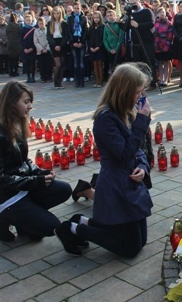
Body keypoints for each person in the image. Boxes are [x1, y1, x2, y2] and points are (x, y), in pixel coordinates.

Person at [56, 64, 153, 257]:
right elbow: (125, 154)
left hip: (130, 183)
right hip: (115, 185)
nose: (140, 99)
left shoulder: (127, 111)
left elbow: (139, 151)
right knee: (131, 249)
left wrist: (143, 168)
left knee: (140, 241)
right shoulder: (105, 119)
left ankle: (83, 221)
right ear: (124, 92)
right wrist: (142, 121)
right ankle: (72, 229)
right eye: (137, 93)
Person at [0, 81, 73, 243]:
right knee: (51, 226)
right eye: (26, 102)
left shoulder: (16, 125)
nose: (30, 107)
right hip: (6, 196)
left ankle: (25, 222)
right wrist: (34, 181)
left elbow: (23, 159)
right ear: (11, 103)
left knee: (63, 189)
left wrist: (39, 172)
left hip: (21, 187)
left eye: (30, 102)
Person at [126, 0, 156, 87]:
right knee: (138, 64)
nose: (133, 6)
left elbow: (151, 23)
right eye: (131, 4)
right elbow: (127, 28)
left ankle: (152, 83)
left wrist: (139, 25)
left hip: (146, 42)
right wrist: (121, 22)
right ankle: (140, 84)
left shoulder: (147, 11)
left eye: (134, 3)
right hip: (135, 43)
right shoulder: (131, 15)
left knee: (149, 63)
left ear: (139, 2)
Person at [47, 6, 71, 89]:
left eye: (58, 13)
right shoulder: (50, 23)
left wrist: (61, 45)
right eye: (55, 13)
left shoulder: (64, 23)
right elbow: (49, 36)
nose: (56, 15)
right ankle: (56, 82)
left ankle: (60, 83)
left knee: (62, 64)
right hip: (54, 44)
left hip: (62, 44)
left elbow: (66, 36)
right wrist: (54, 45)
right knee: (58, 64)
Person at [67, 0, 88, 88]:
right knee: (76, 62)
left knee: (82, 62)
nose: (76, 10)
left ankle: (82, 80)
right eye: (75, 8)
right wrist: (73, 42)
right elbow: (69, 31)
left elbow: (85, 31)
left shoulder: (83, 18)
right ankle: (77, 80)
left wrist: (82, 42)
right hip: (73, 42)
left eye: (78, 8)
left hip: (82, 42)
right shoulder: (70, 18)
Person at [153, 7, 174, 87]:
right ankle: (161, 79)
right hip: (157, 47)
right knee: (159, 64)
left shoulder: (168, 23)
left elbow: (170, 36)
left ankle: (165, 79)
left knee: (165, 63)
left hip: (166, 46)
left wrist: (166, 46)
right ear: (157, 14)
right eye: (160, 12)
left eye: (163, 12)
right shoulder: (155, 23)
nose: (162, 13)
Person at [87, 11, 106, 87]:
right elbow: (89, 38)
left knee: (100, 64)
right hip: (92, 48)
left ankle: (101, 81)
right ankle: (97, 81)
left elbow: (103, 38)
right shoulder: (91, 27)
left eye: (97, 17)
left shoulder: (103, 26)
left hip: (100, 48)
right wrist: (90, 47)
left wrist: (99, 47)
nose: (96, 19)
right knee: (95, 65)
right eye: (94, 18)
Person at [103, 9, 123, 77]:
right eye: (108, 15)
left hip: (117, 48)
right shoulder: (106, 25)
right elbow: (105, 38)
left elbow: (120, 37)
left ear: (114, 15)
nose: (109, 17)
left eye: (111, 15)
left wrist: (116, 49)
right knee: (111, 65)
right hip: (109, 48)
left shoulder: (118, 24)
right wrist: (109, 49)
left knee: (118, 64)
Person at [33, 17, 52, 83]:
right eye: (40, 23)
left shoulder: (48, 30)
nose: (41, 25)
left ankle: (49, 77)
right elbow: (35, 42)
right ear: (38, 24)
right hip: (40, 51)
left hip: (48, 50)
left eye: (42, 23)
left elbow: (50, 40)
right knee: (41, 65)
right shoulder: (36, 31)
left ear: (45, 23)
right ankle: (43, 77)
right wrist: (41, 49)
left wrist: (47, 48)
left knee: (48, 64)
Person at [20, 14, 37, 83]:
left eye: (29, 20)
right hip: (25, 49)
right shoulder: (22, 29)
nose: (28, 21)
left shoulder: (34, 29)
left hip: (32, 49)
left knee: (33, 64)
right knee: (27, 64)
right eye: (26, 20)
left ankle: (33, 76)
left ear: (32, 20)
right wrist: (24, 48)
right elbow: (21, 40)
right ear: (24, 21)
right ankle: (28, 77)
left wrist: (32, 48)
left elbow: (35, 39)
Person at [6, 13, 22, 77]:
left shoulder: (8, 26)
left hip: (10, 43)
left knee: (10, 59)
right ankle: (15, 71)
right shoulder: (17, 26)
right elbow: (20, 34)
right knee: (16, 59)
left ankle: (10, 71)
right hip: (17, 43)